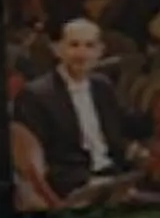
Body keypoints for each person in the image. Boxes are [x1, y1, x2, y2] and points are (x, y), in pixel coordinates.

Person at [8, 17, 148, 204]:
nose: (82, 54)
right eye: (74, 45)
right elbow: (36, 163)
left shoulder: (102, 86)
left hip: (116, 177)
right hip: (73, 188)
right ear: (58, 49)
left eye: (90, 46)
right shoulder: (36, 95)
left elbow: (128, 125)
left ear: (100, 51)